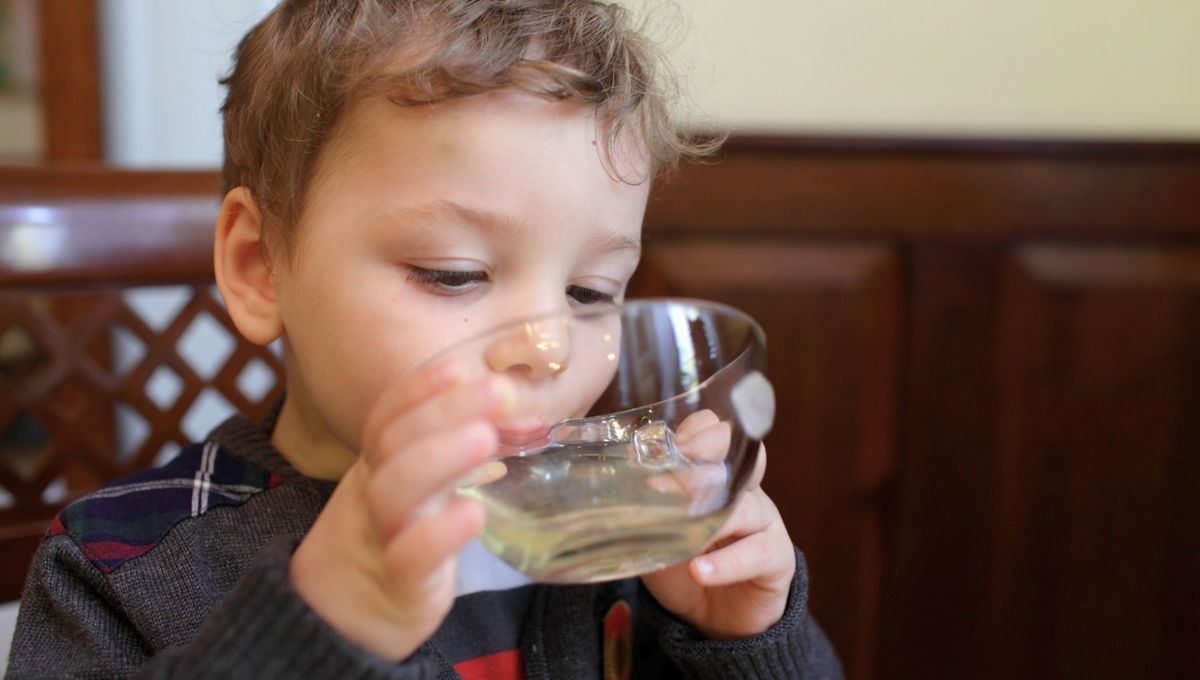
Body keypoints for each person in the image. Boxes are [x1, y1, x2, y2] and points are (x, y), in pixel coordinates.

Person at [6, 1, 842, 677]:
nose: (544, 348)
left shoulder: (613, 537)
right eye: (453, 273)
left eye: (591, 292)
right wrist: (320, 633)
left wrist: (743, 642)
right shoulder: (119, 564)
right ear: (262, 267)